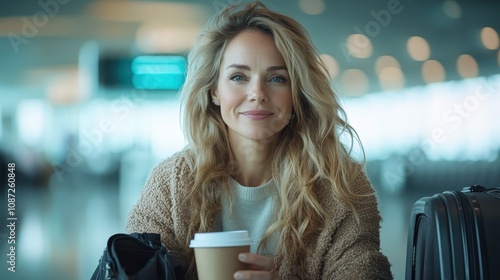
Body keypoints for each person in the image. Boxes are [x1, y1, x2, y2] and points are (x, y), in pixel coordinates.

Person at [126, 2, 393, 279]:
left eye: (277, 78)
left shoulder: (341, 186)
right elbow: (133, 268)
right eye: (238, 77)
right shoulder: (171, 183)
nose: (257, 93)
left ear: (298, 93)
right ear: (214, 91)